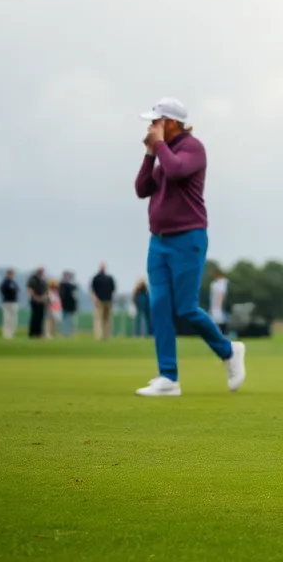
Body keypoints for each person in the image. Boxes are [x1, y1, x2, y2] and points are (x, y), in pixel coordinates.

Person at [133, 97, 245, 396]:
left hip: (188, 238)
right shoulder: (163, 152)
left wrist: (159, 147)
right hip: (158, 242)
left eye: (156, 121)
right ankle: (168, 377)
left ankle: (228, 351)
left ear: (171, 123)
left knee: (185, 308)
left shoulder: (192, 148)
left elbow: (176, 171)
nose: (151, 126)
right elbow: (142, 189)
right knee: (159, 306)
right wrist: (149, 153)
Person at [90, 263, 116, 341]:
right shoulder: (109, 278)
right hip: (106, 300)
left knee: (99, 319)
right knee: (106, 319)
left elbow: (93, 289)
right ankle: (105, 335)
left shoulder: (96, 278)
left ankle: (100, 335)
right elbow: (113, 289)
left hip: (102, 300)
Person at [26, 267, 47, 339]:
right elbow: (30, 289)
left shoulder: (43, 280)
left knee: (41, 317)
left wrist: (43, 297)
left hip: (42, 300)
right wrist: (35, 297)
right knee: (35, 317)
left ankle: (39, 333)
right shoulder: (33, 279)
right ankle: (33, 333)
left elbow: (45, 290)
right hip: (35, 300)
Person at [0, 269, 20, 339]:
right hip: (7, 302)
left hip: (14, 302)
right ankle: (6, 334)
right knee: (7, 318)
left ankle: (12, 333)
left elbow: (17, 290)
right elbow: (2, 290)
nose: (12, 275)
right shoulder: (5, 282)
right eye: (10, 274)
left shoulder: (14, 283)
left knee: (13, 319)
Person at [58, 271, 80, 337]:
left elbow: (75, 289)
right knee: (65, 320)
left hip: (72, 306)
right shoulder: (62, 284)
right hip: (64, 305)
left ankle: (70, 333)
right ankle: (65, 333)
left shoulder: (72, 285)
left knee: (71, 320)